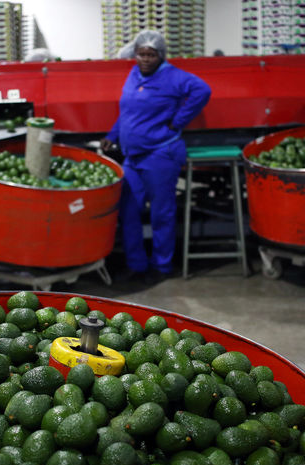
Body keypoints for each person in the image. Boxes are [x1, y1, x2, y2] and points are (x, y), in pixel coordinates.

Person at [101, 30, 211, 284]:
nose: (146, 59)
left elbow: (202, 90)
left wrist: (178, 122)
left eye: (151, 55)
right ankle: (136, 265)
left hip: (160, 155)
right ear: (135, 54)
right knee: (128, 210)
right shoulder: (133, 74)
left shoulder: (173, 76)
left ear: (161, 56)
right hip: (132, 157)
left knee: (161, 213)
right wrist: (113, 134)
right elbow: (128, 112)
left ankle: (162, 266)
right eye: (141, 54)